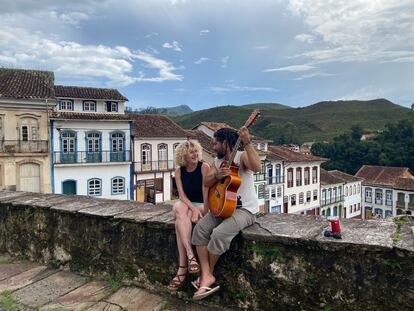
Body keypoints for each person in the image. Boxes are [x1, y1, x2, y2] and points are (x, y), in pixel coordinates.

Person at [191, 126, 261, 300]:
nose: (213, 147)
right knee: (199, 229)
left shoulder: (241, 157)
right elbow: (206, 181)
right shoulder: (217, 161)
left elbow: (257, 167)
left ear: (225, 143)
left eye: (216, 143)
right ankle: (207, 274)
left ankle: (207, 275)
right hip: (222, 207)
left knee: (219, 234)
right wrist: (217, 176)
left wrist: (248, 142)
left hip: (245, 210)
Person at [168, 140, 210, 291]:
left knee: (179, 221)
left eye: (196, 151)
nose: (195, 154)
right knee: (179, 207)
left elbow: (206, 195)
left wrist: (199, 210)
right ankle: (190, 254)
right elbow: (182, 196)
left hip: (203, 204)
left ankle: (182, 267)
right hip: (188, 204)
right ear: (183, 155)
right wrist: (192, 209)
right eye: (191, 152)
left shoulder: (204, 167)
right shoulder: (179, 171)